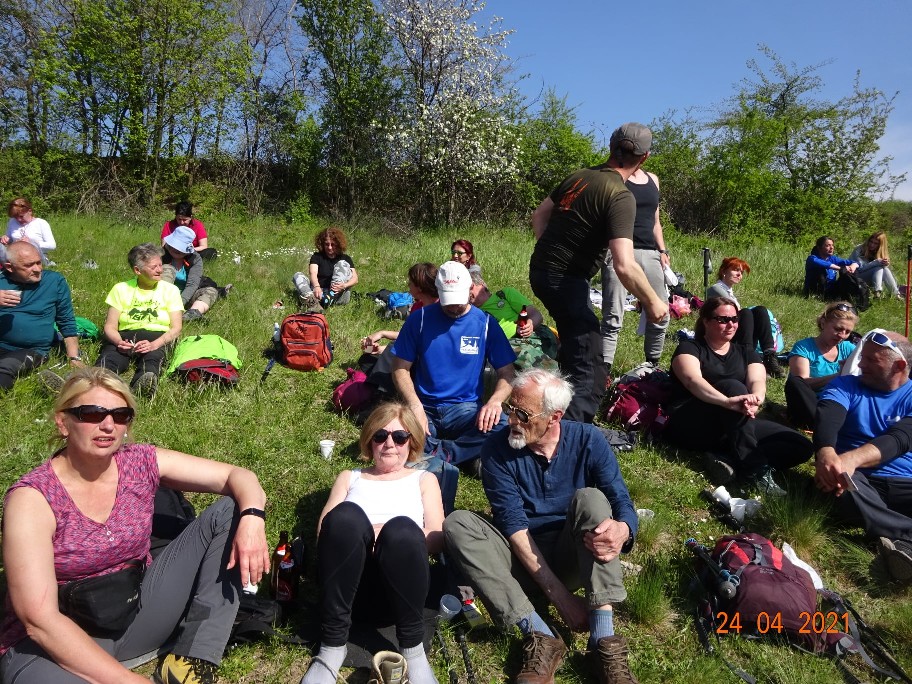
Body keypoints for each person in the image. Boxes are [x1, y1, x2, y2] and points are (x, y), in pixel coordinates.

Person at [0, 367, 269, 684]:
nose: (108, 425)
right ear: (63, 422)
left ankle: (193, 658)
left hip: (135, 611)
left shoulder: (139, 462)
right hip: (55, 644)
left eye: (120, 415)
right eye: (91, 413)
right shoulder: (33, 499)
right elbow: (39, 621)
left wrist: (253, 519)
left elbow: (237, 476)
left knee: (233, 509)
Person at [443, 369, 640, 684]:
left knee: (591, 499)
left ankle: (603, 642)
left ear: (554, 417)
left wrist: (624, 529)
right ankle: (539, 635)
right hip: (519, 560)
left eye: (523, 414)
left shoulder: (588, 440)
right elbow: (513, 525)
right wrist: (561, 599)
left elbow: (621, 501)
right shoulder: (496, 448)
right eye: (510, 409)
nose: (512, 420)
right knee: (457, 524)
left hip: (573, 555)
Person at [530, 122, 669, 423]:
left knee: (575, 342)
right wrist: (654, 302)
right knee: (590, 364)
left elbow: (539, 215)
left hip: (541, 271)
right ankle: (571, 430)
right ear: (644, 157)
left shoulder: (579, 176)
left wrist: (550, 250)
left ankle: (554, 406)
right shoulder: (620, 195)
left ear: (610, 147)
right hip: (565, 279)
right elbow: (625, 265)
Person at [300, 402, 443, 684]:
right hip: (347, 592)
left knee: (402, 529)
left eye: (399, 437)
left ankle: (413, 652)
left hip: (401, 593)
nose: (389, 444)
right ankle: (332, 648)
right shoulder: (350, 477)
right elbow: (325, 531)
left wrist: (384, 532)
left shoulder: (424, 479)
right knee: (346, 516)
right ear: (369, 440)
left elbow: (438, 538)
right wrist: (369, 532)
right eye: (380, 436)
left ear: (412, 442)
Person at [663, 297, 812, 494]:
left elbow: (758, 380)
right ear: (706, 321)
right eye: (723, 319)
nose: (731, 324)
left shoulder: (745, 352)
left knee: (800, 445)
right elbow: (693, 381)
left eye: (734, 319)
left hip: (733, 422)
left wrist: (755, 399)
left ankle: (728, 459)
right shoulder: (690, 348)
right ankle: (754, 470)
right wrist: (726, 401)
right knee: (732, 386)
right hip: (690, 421)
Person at [390, 261, 516, 468]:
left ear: (470, 289)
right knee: (394, 430)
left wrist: (495, 401)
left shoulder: (485, 323)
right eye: (447, 300)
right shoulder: (419, 319)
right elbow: (399, 368)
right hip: (424, 406)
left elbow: (507, 372)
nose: (453, 306)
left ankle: (437, 453)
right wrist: (414, 404)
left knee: (502, 425)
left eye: (457, 299)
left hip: (466, 409)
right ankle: (466, 454)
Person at [813, 331, 912, 582]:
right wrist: (826, 451)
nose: (860, 364)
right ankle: (905, 537)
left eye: (870, 360)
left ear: (899, 366)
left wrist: (852, 458)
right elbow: (828, 418)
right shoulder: (845, 385)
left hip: (904, 482)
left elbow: (900, 439)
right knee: (841, 486)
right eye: (862, 357)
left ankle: (889, 532)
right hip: (857, 480)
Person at [600, 166, 670, 377]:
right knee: (613, 315)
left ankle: (652, 365)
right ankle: (603, 372)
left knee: (661, 311)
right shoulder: (613, 177)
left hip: (649, 252)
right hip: (619, 251)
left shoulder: (653, 179)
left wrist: (662, 250)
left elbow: (655, 221)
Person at [95, 243, 183, 396]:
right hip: (125, 337)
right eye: (154, 267)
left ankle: (144, 384)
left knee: (154, 359)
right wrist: (119, 342)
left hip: (158, 338)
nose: (160, 270)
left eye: (160, 265)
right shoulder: (121, 289)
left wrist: (154, 345)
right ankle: (96, 383)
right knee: (109, 359)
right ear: (137, 270)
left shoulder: (171, 290)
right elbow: (110, 326)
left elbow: (176, 328)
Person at [0, 242, 84, 391]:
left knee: (5, 368)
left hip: (32, 350)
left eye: (39, 262)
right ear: (9, 267)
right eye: (29, 265)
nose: (37, 269)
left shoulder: (54, 281)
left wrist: (74, 358)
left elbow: (66, 321)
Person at [706, 257, 783, 377]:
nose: (739, 275)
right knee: (746, 312)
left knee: (760, 311)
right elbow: (734, 311)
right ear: (723, 271)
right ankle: (747, 357)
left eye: (741, 272)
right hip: (724, 330)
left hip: (733, 330)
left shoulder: (729, 291)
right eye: (735, 270)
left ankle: (769, 356)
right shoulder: (715, 289)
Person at [785, 302, 858, 429]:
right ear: (823, 323)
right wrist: (838, 376)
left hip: (838, 403)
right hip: (811, 402)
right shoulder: (804, 347)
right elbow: (802, 384)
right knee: (795, 382)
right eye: (838, 329)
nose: (842, 335)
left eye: (847, 332)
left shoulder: (849, 349)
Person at [468, 272, 558, 370]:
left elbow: (536, 314)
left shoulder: (504, 295)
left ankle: (554, 373)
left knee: (514, 351)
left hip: (528, 336)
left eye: (470, 287)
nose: (467, 293)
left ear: (481, 284)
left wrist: (530, 324)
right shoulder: (470, 313)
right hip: (502, 346)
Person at [361, 263, 439, 354]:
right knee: (368, 357)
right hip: (412, 352)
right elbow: (408, 335)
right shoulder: (417, 307)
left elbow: (421, 342)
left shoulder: (441, 309)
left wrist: (387, 350)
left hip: (428, 354)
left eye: (410, 282)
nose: (408, 285)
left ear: (419, 287)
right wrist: (381, 334)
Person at [160, 226, 230, 322]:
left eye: (181, 248)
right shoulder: (159, 254)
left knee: (211, 291)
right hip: (161, 296)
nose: (177, 250)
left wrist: (179, 304)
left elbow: (192, 285)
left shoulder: (195, 259)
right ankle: (162, 307)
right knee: (168, 269)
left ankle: (191, 315)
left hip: (185, 296)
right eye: (174, 246)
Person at [292, 226, 358, 308]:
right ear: (322, 244)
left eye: (333, 244)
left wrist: (344, 285)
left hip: (338, 294)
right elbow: (313, 273)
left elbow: (355, 279)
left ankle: (330, 297)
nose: (330, 247)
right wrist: (316, 287)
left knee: (342, 263)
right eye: (327, 244)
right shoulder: (317, 256)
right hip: (318, 292)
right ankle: (312, 302)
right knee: (297, 275)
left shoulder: (345, 258)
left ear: (338, 244)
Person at [3, 198, 56, 265]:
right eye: (15, 217)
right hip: (16, 255)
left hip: (36, 256)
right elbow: (9, 239)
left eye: (21, 216)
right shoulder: (12, 221)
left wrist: (30, 243)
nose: (19, 219)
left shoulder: (41, 223)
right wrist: (5, 239)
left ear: (30, 211)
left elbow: (52, 245)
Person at [850, 231, 900, 298]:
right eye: (871, 242)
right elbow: (860, 268)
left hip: (870, 279)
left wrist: (885, 264)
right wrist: (876, 262)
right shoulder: (859, 249)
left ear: (880, 245)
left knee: (885, 269)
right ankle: (877, 292)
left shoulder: (880, 252)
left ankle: (896, 295)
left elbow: (881, 270)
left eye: (875, 243)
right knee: (878, 268)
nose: (872, 245)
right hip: (855, 278)